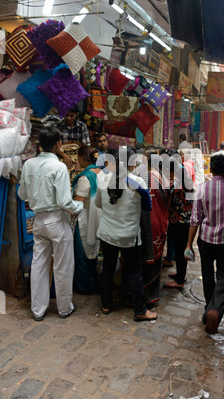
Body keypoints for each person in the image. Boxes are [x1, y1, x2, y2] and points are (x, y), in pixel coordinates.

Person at [18, 126, 84, 321]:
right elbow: (65, 202)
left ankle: (37, 310)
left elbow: (22, 194)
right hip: (56, 219)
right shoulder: (59, 167)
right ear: (57, 145)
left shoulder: (29, 164)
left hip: (38, 220)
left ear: (40, 145)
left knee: (39, 263)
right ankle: (64, 308)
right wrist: (79, 205)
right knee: (63, 265)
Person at [95, 147, 157, 321]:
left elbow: (98, 205)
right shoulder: (138, 182)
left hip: (107, 234)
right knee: (134, 272)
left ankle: (106, 304)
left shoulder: (102, 179)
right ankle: (140, 310)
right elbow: (147, 208)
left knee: (107, 267)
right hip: (129, 236)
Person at [185, 154, 224, 334]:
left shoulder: (202, 189)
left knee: (207, 274)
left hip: (205, 240)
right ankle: (215, 309)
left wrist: (189, 244)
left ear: (210, 169)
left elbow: (195, 219)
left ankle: (208, 309)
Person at [72, 146, 103, 294]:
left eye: (78, 157)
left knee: (82, 252)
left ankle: (84, 286)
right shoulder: (101, 173)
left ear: (83, 158)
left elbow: (78, 203)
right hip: (99, 218)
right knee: (93, 250)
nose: (77, 160)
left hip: (85, 219)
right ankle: (92, 281)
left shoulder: (85, 178)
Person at [140, 147, 169, 305]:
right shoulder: (163, 178)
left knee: (142, 257)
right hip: (159, 221)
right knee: (155, 259)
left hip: (145, 221)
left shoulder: (142, 177)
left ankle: (139, 293)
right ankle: (152, 295)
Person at [163, 154, 194, 290]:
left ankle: (180, 280)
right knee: (182, 250)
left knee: (179, 251)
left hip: (177, 222)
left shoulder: (172, 185)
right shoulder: (187, 181)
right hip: (187, 220)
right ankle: (180, 274)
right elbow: (191, 201)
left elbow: (166, 203)